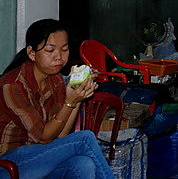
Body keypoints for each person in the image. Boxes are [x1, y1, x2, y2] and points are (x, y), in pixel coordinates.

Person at [0, 19, 115, 179]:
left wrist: (75, 99)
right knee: (85, 138)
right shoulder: (12, 85)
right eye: (50, 50)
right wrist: (69, 102)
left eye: (64, 49)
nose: (59, 57)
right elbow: (43, 137)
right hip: (8, 165)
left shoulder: (56, 80)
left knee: (83, 164)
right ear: (32, 53)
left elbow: (59, 137)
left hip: (40, 158)